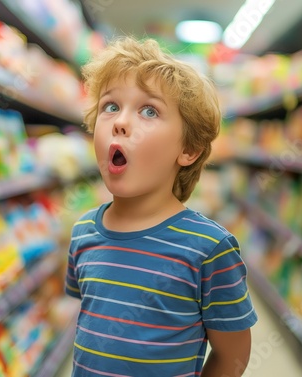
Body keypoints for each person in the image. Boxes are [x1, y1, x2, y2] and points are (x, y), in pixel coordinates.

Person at [65, 36, 257, 377]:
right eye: (110, 106)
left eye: (149, 110)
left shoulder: (209, 249)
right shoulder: (83, 233)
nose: (120, 122)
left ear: (189, 150)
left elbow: (234, 355)